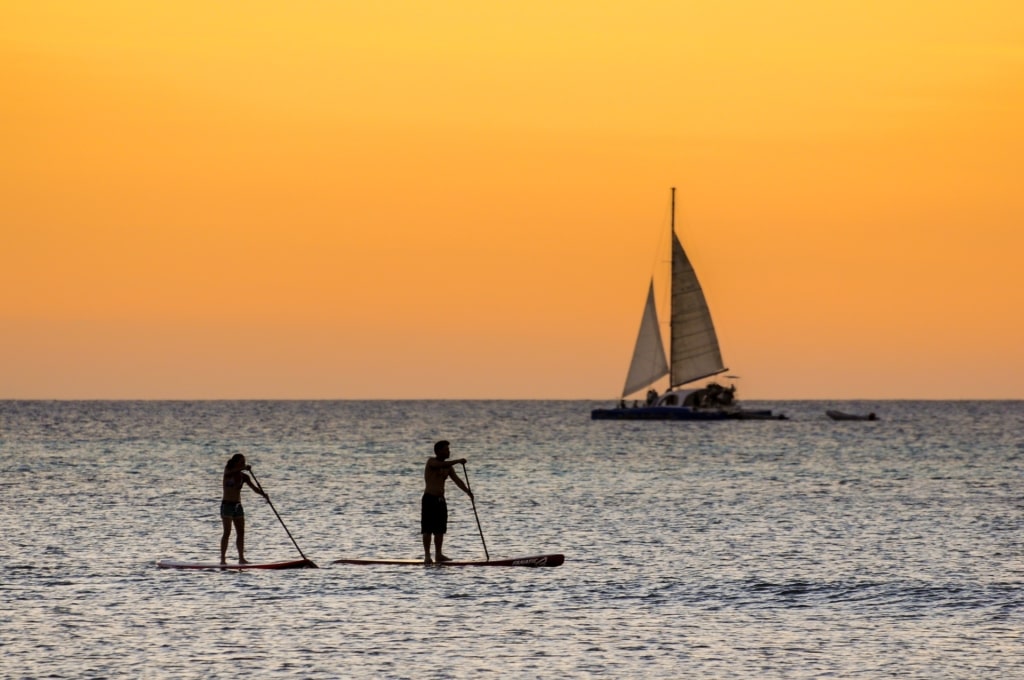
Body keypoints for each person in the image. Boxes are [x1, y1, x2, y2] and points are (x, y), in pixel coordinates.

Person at [422, 440, 473, 564]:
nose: (449, 452)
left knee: (440, 529)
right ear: (438, 451)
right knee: (427, 529)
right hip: (429, 499)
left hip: (440, 500)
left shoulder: (448, 467)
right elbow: (438, 465)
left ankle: (438, 554)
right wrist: (458, 461)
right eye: (446, 449)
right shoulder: (431, 462)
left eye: (448, 449)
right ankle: (427, 556)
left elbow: (457, 480)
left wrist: (468, 492)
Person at [220, 453, 268, 564]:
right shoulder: (228, 471)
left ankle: (241, 558)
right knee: (227, 532)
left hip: (237, 506)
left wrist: (263, 494)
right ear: (235, 462)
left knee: (241, 532)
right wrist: (243, 467)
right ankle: (223, 559)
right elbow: (231, 471)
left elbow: (254, 489)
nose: (243, 464)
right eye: (241, 462)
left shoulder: (244, 477)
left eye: (244, 462)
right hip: (227, 505)